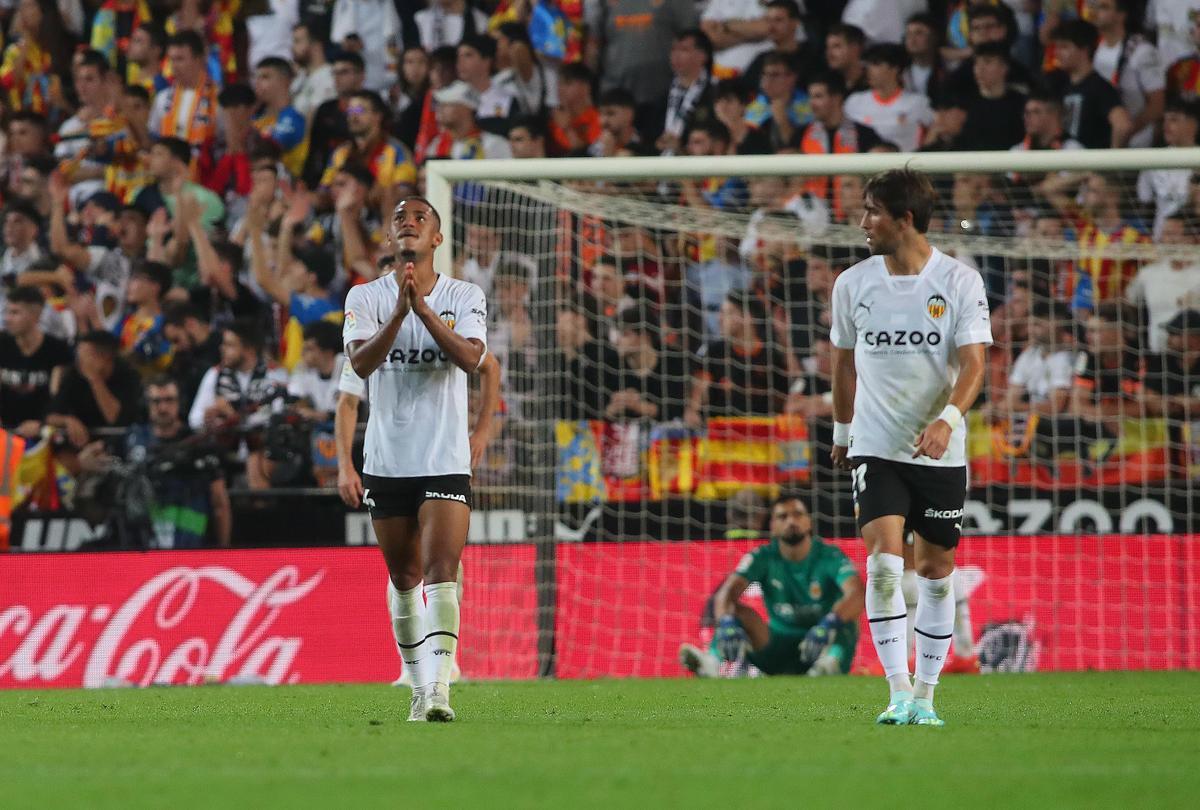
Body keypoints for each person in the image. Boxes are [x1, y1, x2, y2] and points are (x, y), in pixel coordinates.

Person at [829, 168, 992, 726]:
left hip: (939, 448)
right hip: (876, 443)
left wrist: (948, 420)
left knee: (936, 570)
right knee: (882, 565)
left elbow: (975, 364)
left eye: (872, 211)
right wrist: (843, 432)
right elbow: (843, 364)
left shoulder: (960, 281)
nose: (862, 222)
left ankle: (926, 696)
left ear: (904, 219)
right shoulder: (852, 283)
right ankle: (897, 693)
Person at [342, 196, 490, 722]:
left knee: (441, 570)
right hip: (387, 460)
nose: (408, 223)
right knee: (404, 579)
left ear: (436, 240)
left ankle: (439, 690)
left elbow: (474, 359)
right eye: (400, 218)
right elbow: (359, 365)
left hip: (444, 456)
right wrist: (400, 313)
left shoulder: (464, 294)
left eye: (420, 217)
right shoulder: (365, 296)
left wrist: (423, 311)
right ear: (389, 239)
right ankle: (415, 681)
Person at [678, 494, 864, 678]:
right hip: (776, 648)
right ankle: (711, 663)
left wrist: (828, 623)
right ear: (772, 527)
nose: (791, 521)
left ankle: (828, 666)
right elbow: (727, 593)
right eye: (783, 517)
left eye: (798, 514)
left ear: (809, 522)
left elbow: (857, 593)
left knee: (847, 617)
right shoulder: (762, 557)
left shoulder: (830, 556)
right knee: (736, 612)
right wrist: (727, 623)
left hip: (819, 642)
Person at [123, 375, 232, 548]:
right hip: (143, 544)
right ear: (146, 404)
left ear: (179, 402)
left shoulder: (199, 443)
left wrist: (224, 550)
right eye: (156, 401)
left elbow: (219, 501)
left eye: (169, 400)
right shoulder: (132, 440)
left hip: (191, 548)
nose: (163, 407)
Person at [47, 330, 144, 448]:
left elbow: (116, 420)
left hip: (120, 444)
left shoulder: (128, 377)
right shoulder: (74, 375)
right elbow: (50, 415)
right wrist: (67, 420)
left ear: (105, 357)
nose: (79, 360)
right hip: (81, 444)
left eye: (85, 355)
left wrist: (95, 380)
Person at [0, 285, 73, 438]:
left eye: (15, 312)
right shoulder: (3, 344)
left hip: (43, 433)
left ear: (35, 315)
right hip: (5, 432)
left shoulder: (57, 349)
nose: (7, 319)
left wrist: (42, 423)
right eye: (7, 312)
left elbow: (58, 395)